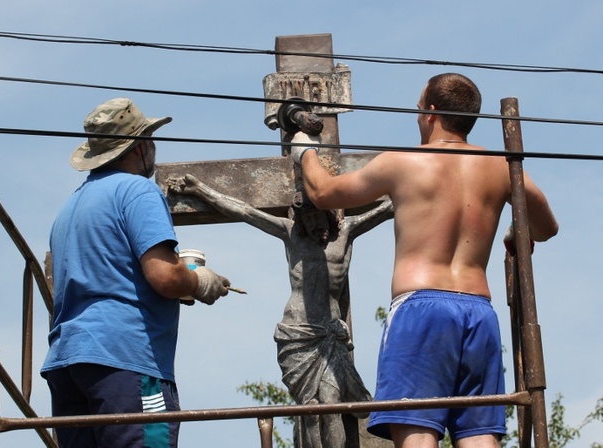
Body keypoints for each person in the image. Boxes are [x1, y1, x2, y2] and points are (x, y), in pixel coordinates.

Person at [291, 73, 559, 448]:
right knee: (481, 438)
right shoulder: (502, 167)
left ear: (432, 112)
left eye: (419, 109)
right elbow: (546, 227)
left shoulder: (404, 163)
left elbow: (323, 193)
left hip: (421, 310)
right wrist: (517, 231)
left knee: (417, 434)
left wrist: (304, 149)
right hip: (479, 313)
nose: (417, 116)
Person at [41, 97, 231, 448]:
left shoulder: (71, 207)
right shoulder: (138, 190)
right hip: (125, 359)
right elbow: (164, 276)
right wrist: (199, 281)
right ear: (141, 145)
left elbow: (108, 274)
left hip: (68, 361)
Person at [167, 174, 393, 447]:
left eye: (317, 216)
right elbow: (245, 211)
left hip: (331, 336)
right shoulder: (291, 235)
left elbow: (389, 207)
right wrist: (201, 189)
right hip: (297, 335)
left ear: (329, 214)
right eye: (306, 219)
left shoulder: (347, 232)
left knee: (332, 405)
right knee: (309, 409)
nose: (313, 223)